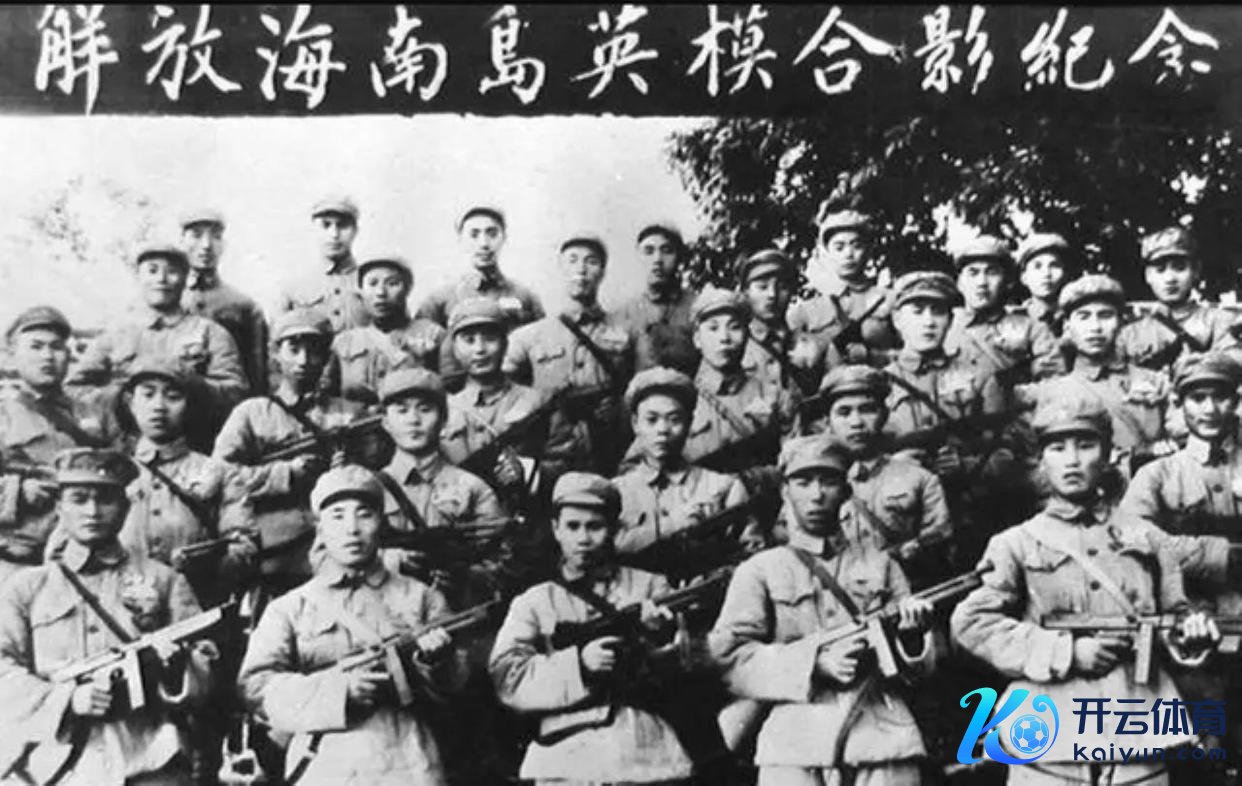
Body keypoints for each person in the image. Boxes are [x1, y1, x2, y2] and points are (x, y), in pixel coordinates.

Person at [951, 397, 1221, 786]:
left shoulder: (1148, 538)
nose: (1072, 460)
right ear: (1041, 460)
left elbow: (1175, 615)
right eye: (1057, 448)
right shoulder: (1017, 543)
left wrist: (1191, 634)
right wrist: (1065, 652)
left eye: (1086, 445)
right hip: (1048, 734)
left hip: (1137, 729)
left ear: (1108, 454)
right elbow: (971, 623)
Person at [708, 436, 936, 786]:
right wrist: (813, 664)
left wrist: (913, 638)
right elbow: (728, 657)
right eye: (803, 482)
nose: (816, 495)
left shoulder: (881, 564)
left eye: (828, 481)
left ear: (846, 490)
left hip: (881, 737)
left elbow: (926, 669)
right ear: (785, 491)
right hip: (794, 743)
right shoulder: (760, 570)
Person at [236, 464, 467, 786]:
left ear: (381, 523)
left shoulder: (420, 597)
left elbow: (459, 686)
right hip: (324, 764)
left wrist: (436, 662)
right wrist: (338, 691)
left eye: (364, 515)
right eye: (337, 516)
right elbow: (256, 687)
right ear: (320, 528)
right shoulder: (290, 607)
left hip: (408, 759)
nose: (352, 529)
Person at [0, 448, 217, 786]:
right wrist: (67, 700)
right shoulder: (26, 587)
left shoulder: (164, 581)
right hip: (55, 767)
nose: (92, 511)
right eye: (79, 499)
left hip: (149, 758)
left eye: (105, 499)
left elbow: (207, 676)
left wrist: (175, 670)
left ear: (126, 507)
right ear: (59, 508)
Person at [489, 471, 695, 786]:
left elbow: (685, 672)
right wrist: (579, 666)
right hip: (564, 753)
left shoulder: (650, 587)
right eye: (573, 526)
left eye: (595, 527)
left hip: (641, 747)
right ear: (556, 529)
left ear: (614, 529)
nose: (583, 539)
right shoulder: (535, 601)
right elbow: (507, 677)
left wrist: (658, 639)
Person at [213, 309, 376, 595]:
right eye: (294, 349)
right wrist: (285, 474)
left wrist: (346, 472)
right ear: (276, 354)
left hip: (339, 549)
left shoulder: (351, 414)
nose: (303, 361)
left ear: (326, 357)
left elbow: (376, 477)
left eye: (314, 351)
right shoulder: (253, 413)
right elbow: (220, 476)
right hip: (274, 557)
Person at [70, 242, 247, 442]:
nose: (161, 279)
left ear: (186, 279)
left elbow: (236, 393)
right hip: (123, 443)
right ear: (139, 277)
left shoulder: (210, 333)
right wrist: (123, 399)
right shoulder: (117, 333)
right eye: (152, 271)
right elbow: (74, 387)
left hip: (191, 444)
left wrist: (189, 384)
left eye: (172, 272)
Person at [113, 358, 256, 604]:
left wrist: (206, 565)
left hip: (196, 604)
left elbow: (244, 544)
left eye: (173, 397)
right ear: (131, 402)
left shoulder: (219, 472)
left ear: (190, 406)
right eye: (148, 395)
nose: (159, 406)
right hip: (120, 605)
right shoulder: (111, 472)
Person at [0, 306, 120, 581]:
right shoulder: (4, 415)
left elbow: (123, 476)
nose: (47, 356)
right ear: (14, 355)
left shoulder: (93, 413)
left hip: (85, 560)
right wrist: (18, 491)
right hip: (17, 559)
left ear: (68, 355)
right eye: (36, 347)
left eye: (56, 347)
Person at [807, 364, 952, 588]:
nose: (856, 422)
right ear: (827, 421)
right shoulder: (807, 483)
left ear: (884, 415)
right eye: (844, 412)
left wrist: (911, 550)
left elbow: (941, 542)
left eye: (867, 410)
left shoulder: (919, 479)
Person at [1017, 274, 1174, 478]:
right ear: (1067, 326)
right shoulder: (1050, 392)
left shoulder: (1155, 382)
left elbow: (1182, 442)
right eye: (1084, 317)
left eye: (1105, 315)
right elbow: (1032, 464)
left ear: (1121, 322)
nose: (1095, 327)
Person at [505, 233, 635, 478]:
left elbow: (644, 390)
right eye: (572, 260)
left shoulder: (627, 331)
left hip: (610, 456)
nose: (581, 269)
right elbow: (502, 394)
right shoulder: (529, 336)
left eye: (591, 261)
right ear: (560, 268)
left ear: (603, 272)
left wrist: (620, 410)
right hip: (549, 460)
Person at [612, 366, 751, 557]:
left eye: (674, 419)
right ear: (635, 424)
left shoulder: (723, 487)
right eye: (652, 420)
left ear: (690, 423)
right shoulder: (617, 494)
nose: (663, 429)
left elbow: (752, 554)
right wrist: (673, 525)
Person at [416, 206, 545, 390]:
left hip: (514, 393)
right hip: (458, 396)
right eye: (474, 235)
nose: (484, 243)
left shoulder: (525, 297)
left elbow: (541, 353)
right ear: (461, 240)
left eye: (492, 234)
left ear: (504, 238)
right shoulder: (439, 299)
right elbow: (422, 360)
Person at [439, 297, 549, 506]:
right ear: (454, 348)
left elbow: (564, 461)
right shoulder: (443, 410)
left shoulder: (537, 401)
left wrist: (526, 471)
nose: (480, 349)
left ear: (505, 344)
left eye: (490, 339)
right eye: (469, 340)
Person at [684, 287, 798, 486]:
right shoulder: (679, 402)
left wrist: (756, 479)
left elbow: (797, 464)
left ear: (747, 335)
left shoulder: (775, 396)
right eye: (713, 328)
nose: (724, 338)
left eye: (734, 327)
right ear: (697, 339)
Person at [944, 235, 1061, 388]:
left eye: (992, 273)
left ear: (1007, 281)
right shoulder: (944, 326)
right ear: (959, 283)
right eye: (973, 273)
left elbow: (1055, 384)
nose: (982, 282)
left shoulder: (1031, 328)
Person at [1117, 226, 1239, 373]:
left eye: (1180, 268)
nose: (1170, 279)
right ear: (1148, 276)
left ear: (1196, 271)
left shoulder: (1220, 322)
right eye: (1160, 270)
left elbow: (1235, 360)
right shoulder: (1131, 332)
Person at [787, 208, 897, 368]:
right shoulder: (807, 309)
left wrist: (872, 355)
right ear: (827, 253)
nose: (849, 254)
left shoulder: (889, 300)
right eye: (839, 247)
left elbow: (913, 356)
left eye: (857, 246)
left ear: (868, 250)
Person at [327, 254, 445, 404]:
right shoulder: (345, 342)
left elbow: (450, 390)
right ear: (361, 291)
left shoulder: (433, 334)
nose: (381, 292)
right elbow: (329, 397)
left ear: (408, 289)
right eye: (372, 283)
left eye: (392, 283)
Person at [178, 207, 270, 395]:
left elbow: (257, 376)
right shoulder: (167, 302)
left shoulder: (244, 307)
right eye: (196, 236)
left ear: (224, 244)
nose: (206, 245)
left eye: (216, 237)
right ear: (182, 241)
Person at [276, 195, 369, 334]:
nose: (334, 234)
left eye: (343, 226)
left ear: (355, 231)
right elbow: (277, 338)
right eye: (326, 225)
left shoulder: (371, 283)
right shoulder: (294, 286)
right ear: (314, 230)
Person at [738, 248, 825, 395]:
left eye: (782, 287)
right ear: (746, 293)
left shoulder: (810, 346)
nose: (772, 294)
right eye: (762, 287)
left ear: (791, 292)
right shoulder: (737, 346)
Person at [614, 223, 697, 375]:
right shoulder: (624, 313)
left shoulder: (696, 306)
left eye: (667, 251)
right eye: (649, 251)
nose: (657, 259)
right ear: (638, 257)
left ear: (679, 257)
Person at [1015, 231, 1076, 334]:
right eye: (1037, 266)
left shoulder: (1075, 317)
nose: (1047, 274)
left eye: (1054, 265)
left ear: (1065, 274)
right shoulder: (1014, 319)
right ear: (1024, 277)